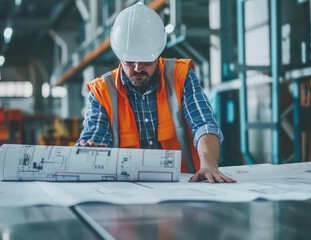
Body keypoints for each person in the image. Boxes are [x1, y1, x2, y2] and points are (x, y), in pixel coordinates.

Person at [76, 2, 235, 183]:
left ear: (158, 53)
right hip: (126, 190)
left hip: (184, 186)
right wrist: (91, 149)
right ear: (119, 55)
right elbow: (95, 135)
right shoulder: (102, 91)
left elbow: (203, 124)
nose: (137, 68)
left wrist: (209, 164)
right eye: (129, 61)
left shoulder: (180, 76)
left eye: (145, 60)